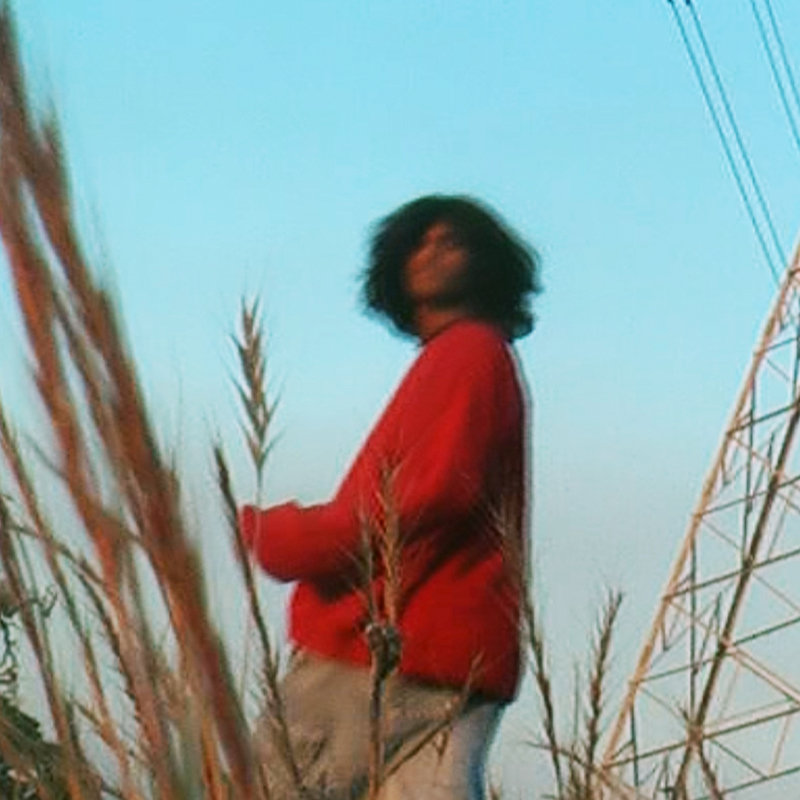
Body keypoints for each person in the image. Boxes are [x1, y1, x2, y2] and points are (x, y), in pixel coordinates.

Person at [239, 194, 540, 799]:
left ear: (489, 263)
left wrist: (279, 536)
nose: (432, 252)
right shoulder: (476, 358)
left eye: (453, 241)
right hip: (461, 660)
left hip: (385, 647)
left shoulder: (469, 353)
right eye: (418, 242)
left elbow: (427, 498)